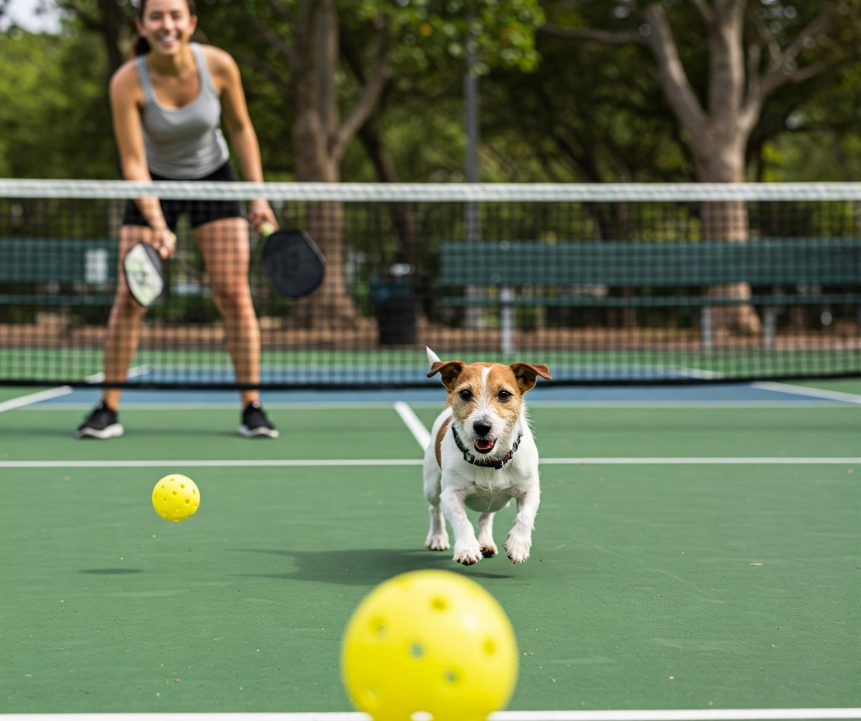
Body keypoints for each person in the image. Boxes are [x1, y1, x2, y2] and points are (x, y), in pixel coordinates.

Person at [76, 0, 279, 439]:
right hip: (154, 181)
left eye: (174, 15)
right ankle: (107, 408)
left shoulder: (219, 65)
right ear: (142, 26)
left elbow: (242, 128)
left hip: (214, 179)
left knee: (232, 292)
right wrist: (155, 219)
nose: (166, 24)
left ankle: (252, 407)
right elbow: (132, 161)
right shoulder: (127, 80)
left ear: (190, 23)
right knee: (131, 297)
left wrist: (256, 193)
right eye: (157, 16)